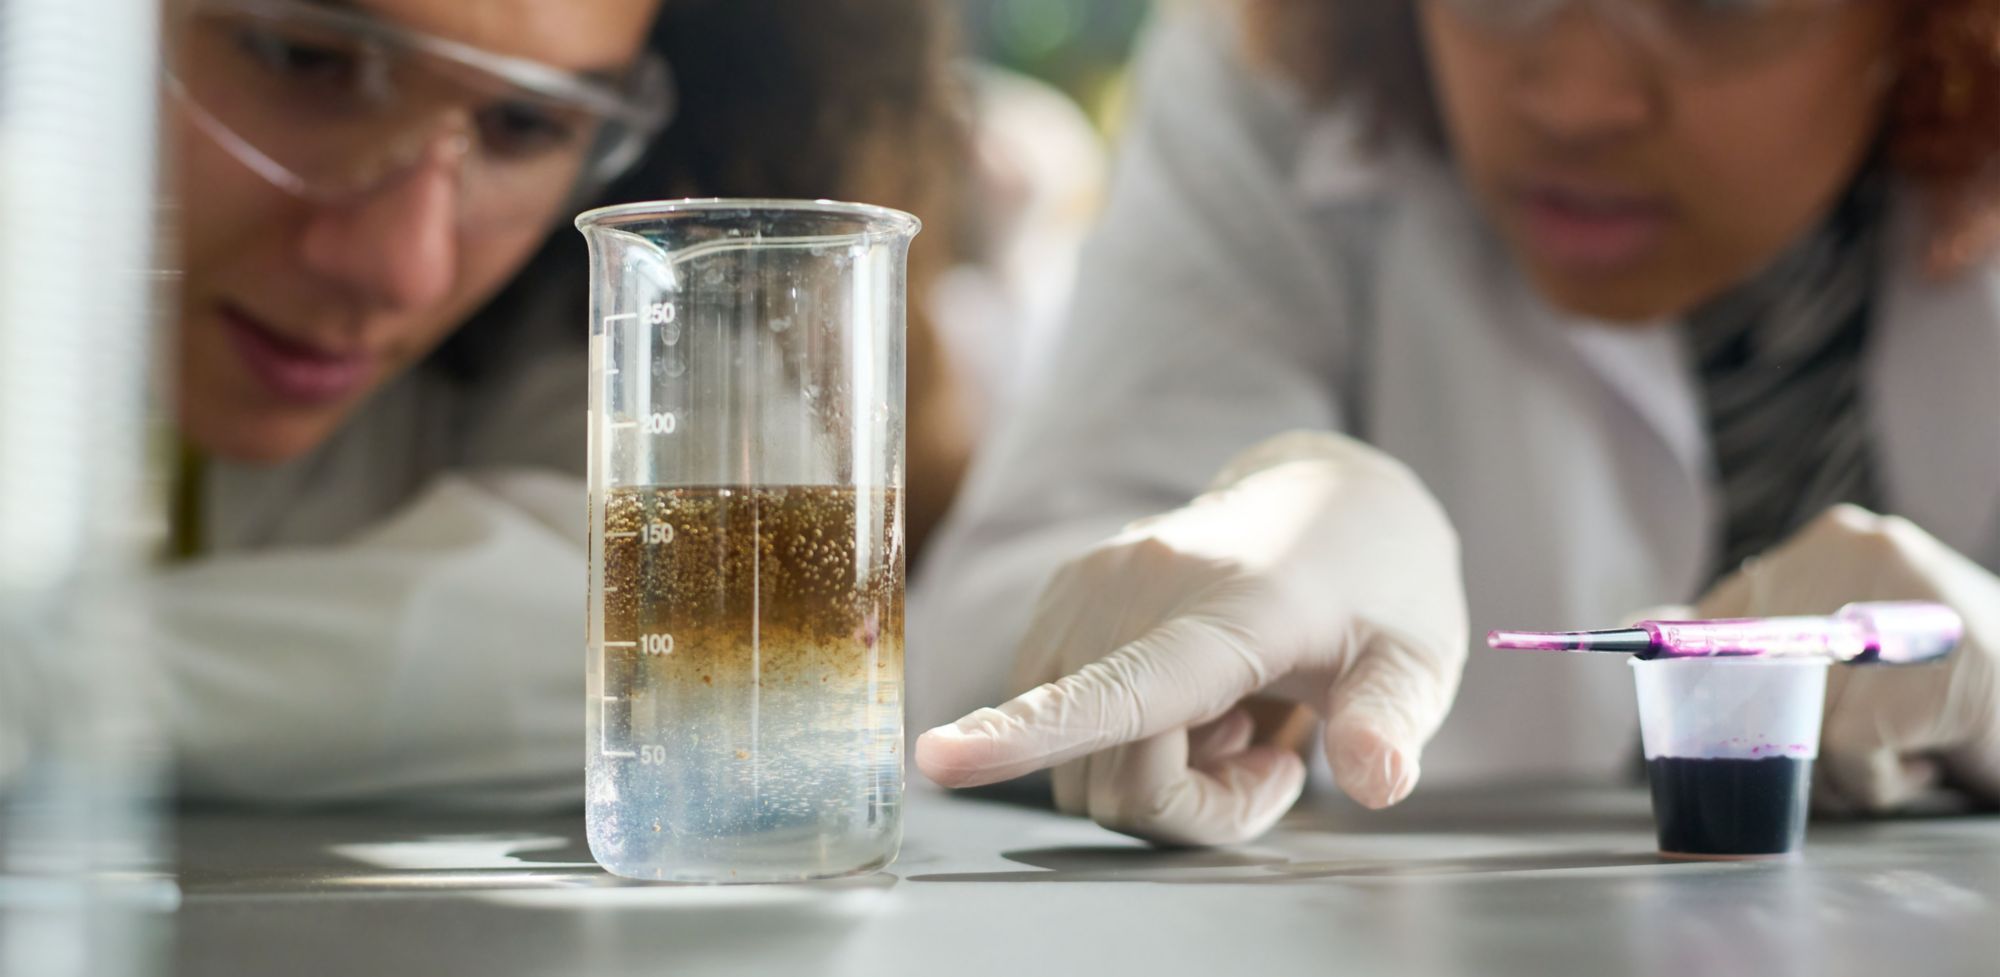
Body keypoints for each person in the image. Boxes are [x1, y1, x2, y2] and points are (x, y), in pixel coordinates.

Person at [910, 0, 2000, 845]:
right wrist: (1254, 546)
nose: (1576, 97)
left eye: (1714, 0)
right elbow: (958, 657)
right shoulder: (1276, 71)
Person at [157, 0, 965, 806]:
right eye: (301, 58)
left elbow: (757, 648)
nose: (403, 268)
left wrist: (41, 678)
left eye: (526, 121)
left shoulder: (576, 320)